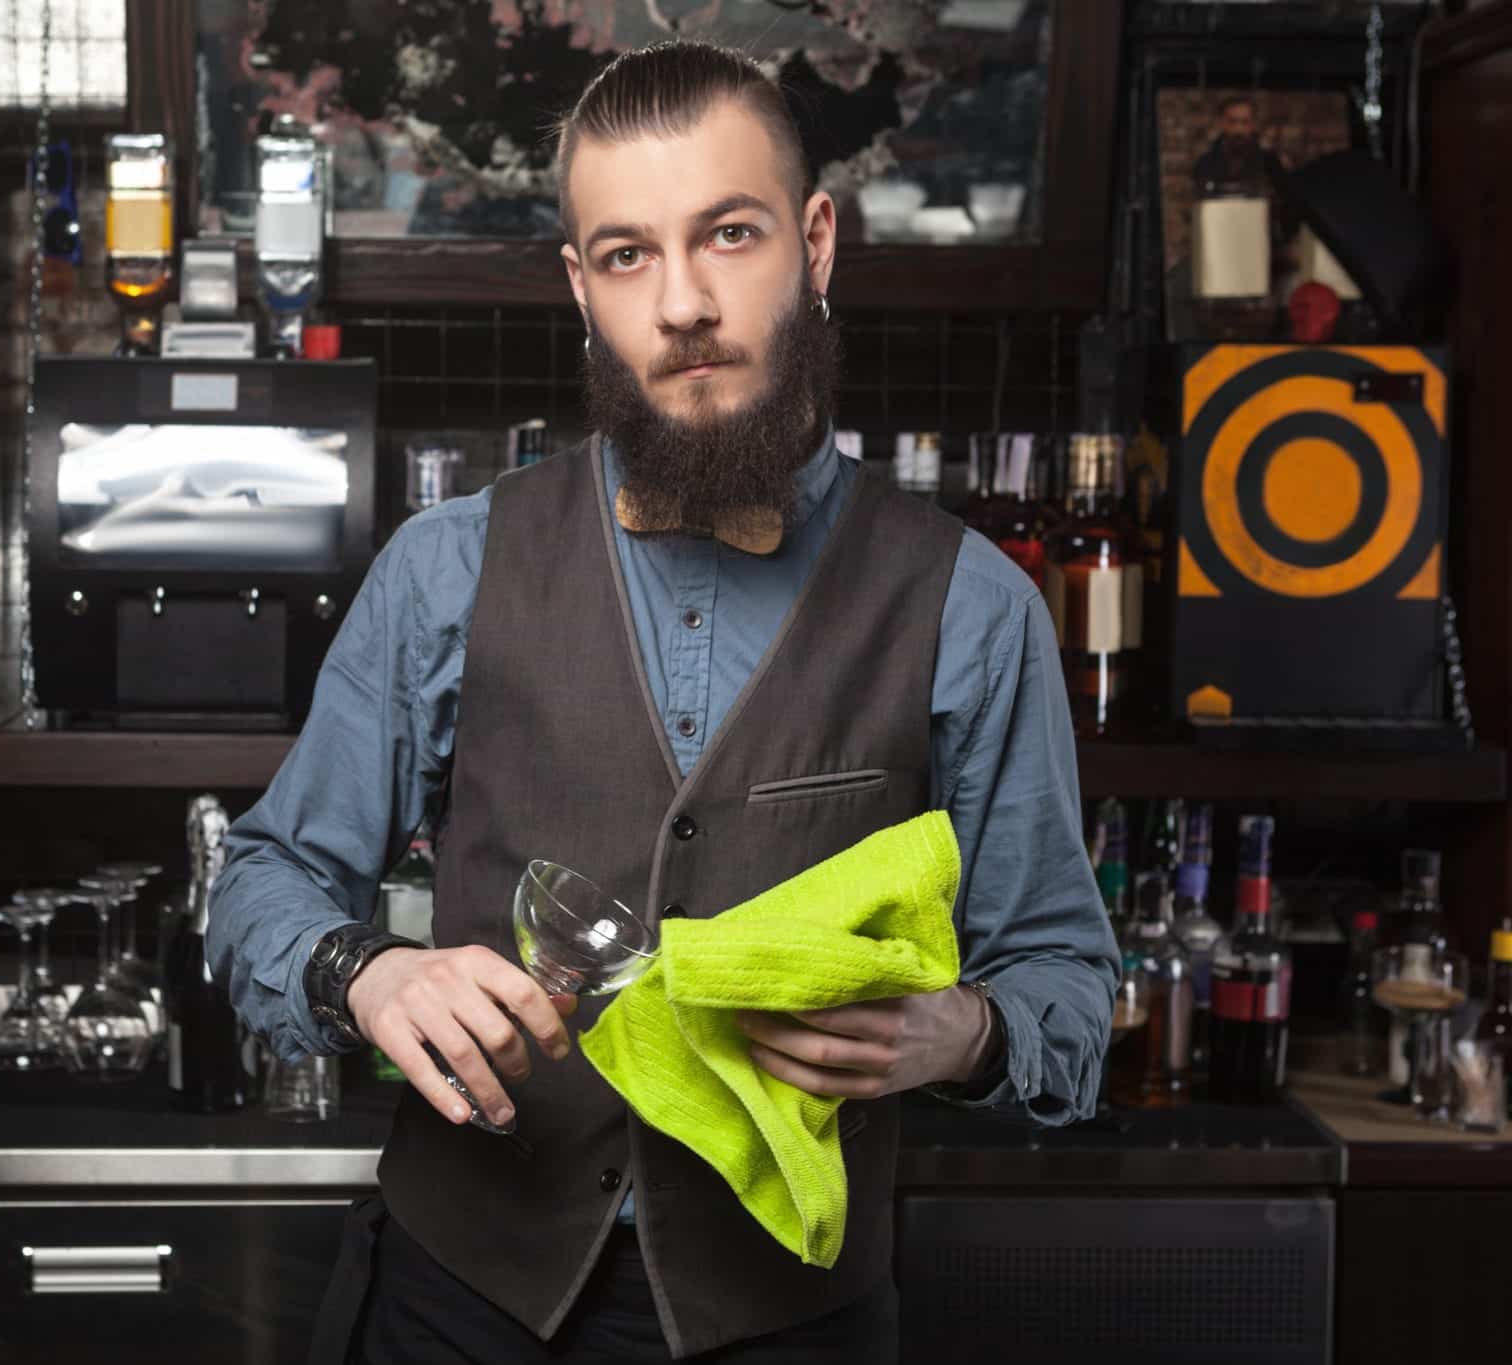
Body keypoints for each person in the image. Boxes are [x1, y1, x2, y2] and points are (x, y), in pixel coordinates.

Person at [207, 40, 1119, 1365]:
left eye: (728, 234)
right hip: (464, 1299)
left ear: (814, 243)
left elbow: (1067, 988)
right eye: (629, 254)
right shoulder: (446, 569)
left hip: (793, 1321)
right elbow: (263, 882)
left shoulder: (972, 608)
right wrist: (368, 972)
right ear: (584, 288)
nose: (683, 301)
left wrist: (962, 1032)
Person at [1191, 95, 1287, 193]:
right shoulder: (1205, 163)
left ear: (1253, 124)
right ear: (1221, 123)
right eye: (1232, 122)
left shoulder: (1269, 162)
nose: (1239, 129)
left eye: (1245, 122)